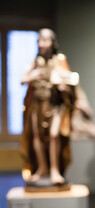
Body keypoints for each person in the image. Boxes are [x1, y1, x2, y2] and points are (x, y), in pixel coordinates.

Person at [20, 28, 78, 185]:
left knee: (53, 135)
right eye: (40, 40)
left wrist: (63, 85)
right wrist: (33, 75)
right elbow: (23, 78)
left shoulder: (59, 59)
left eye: (46, 40)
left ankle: (54, 169)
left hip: (54, 103)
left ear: (52, 42)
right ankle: (42, 168)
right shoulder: (35, 62)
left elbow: (71, 81)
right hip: (37, 103)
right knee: (37, 135)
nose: (43, 43)